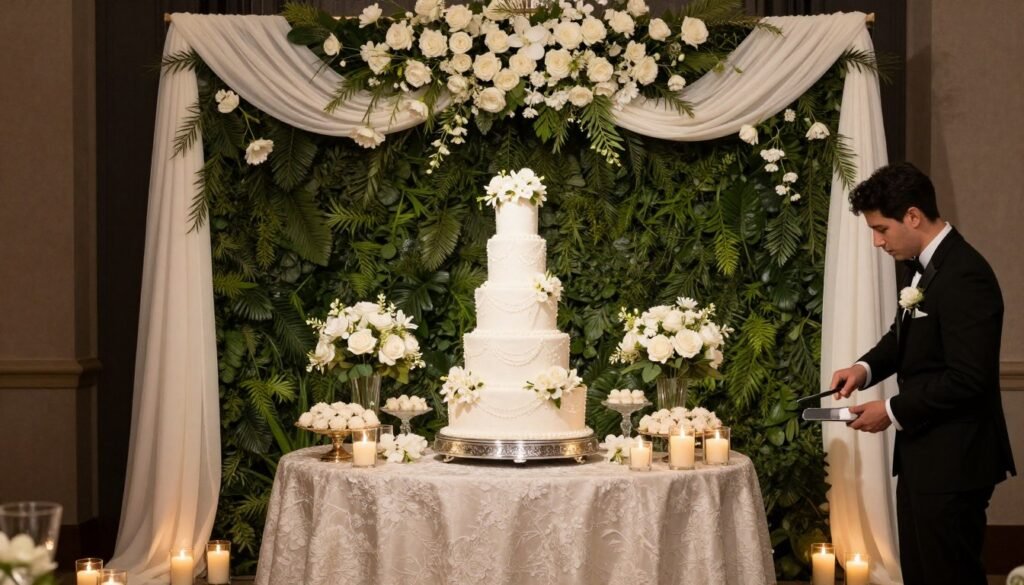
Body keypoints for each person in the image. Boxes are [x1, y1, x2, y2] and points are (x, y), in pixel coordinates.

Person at [829, 162, 1015, 585]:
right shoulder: (923, 266)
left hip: (955, 461)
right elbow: (904, 336)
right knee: (920, 573)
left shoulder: (965, 273)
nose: (877, 241)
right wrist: (863, 368)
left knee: (949, 575)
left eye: (881, 229)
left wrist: (891, 410)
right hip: (923, 455)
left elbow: (969, 378)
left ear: (912, 216)